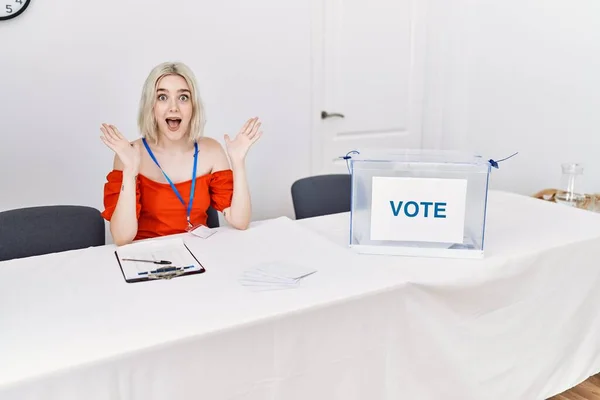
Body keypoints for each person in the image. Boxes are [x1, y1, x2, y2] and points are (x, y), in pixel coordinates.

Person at [99, 61, 262, 246]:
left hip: (201, 255)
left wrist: (238, 162)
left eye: (183, 97)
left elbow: (240, 221)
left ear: (193, 106)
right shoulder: (130, 153)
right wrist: (129, 172)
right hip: (148, 258)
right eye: (162, 97)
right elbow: (121, 237)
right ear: (150, 106)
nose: (173, 107)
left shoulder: (212, 150)